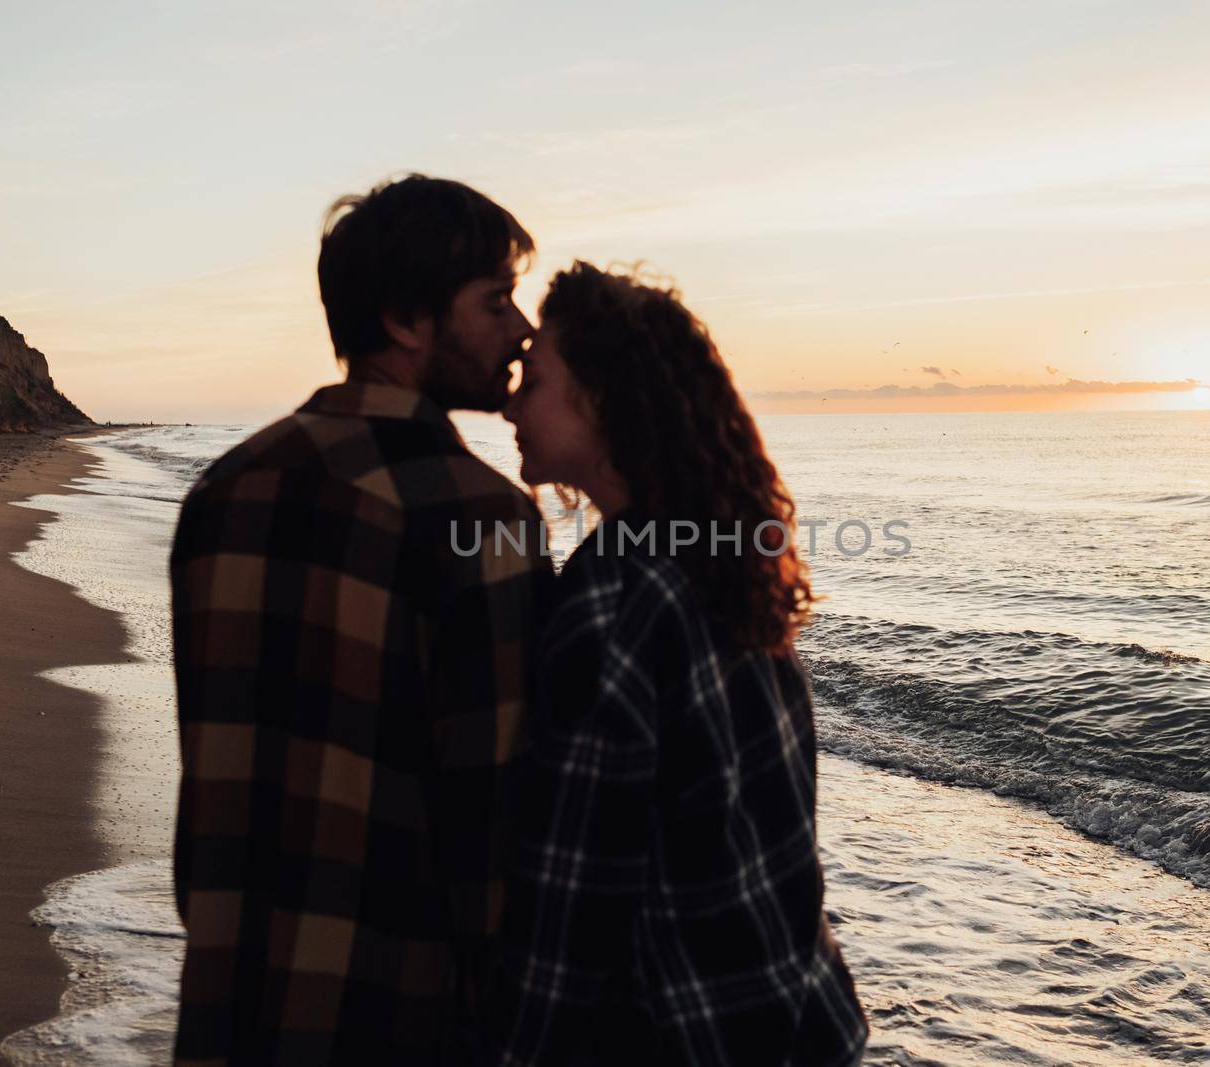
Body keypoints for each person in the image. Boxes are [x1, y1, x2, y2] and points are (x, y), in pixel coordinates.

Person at [168, 174, 555, 1063]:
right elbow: (492, 825)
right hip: (394, 1014)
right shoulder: (480, 516)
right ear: (406, 320)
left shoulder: (223, 490)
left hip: (228, 996)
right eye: (496, 302)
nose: (521, 330)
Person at [487, 262, 868, 1065]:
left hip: (694, 1037)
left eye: (535, 379)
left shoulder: (611, 603)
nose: (509, 402)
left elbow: (572, 905)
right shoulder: (722, 559)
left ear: (605, 400)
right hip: (805, 1017)